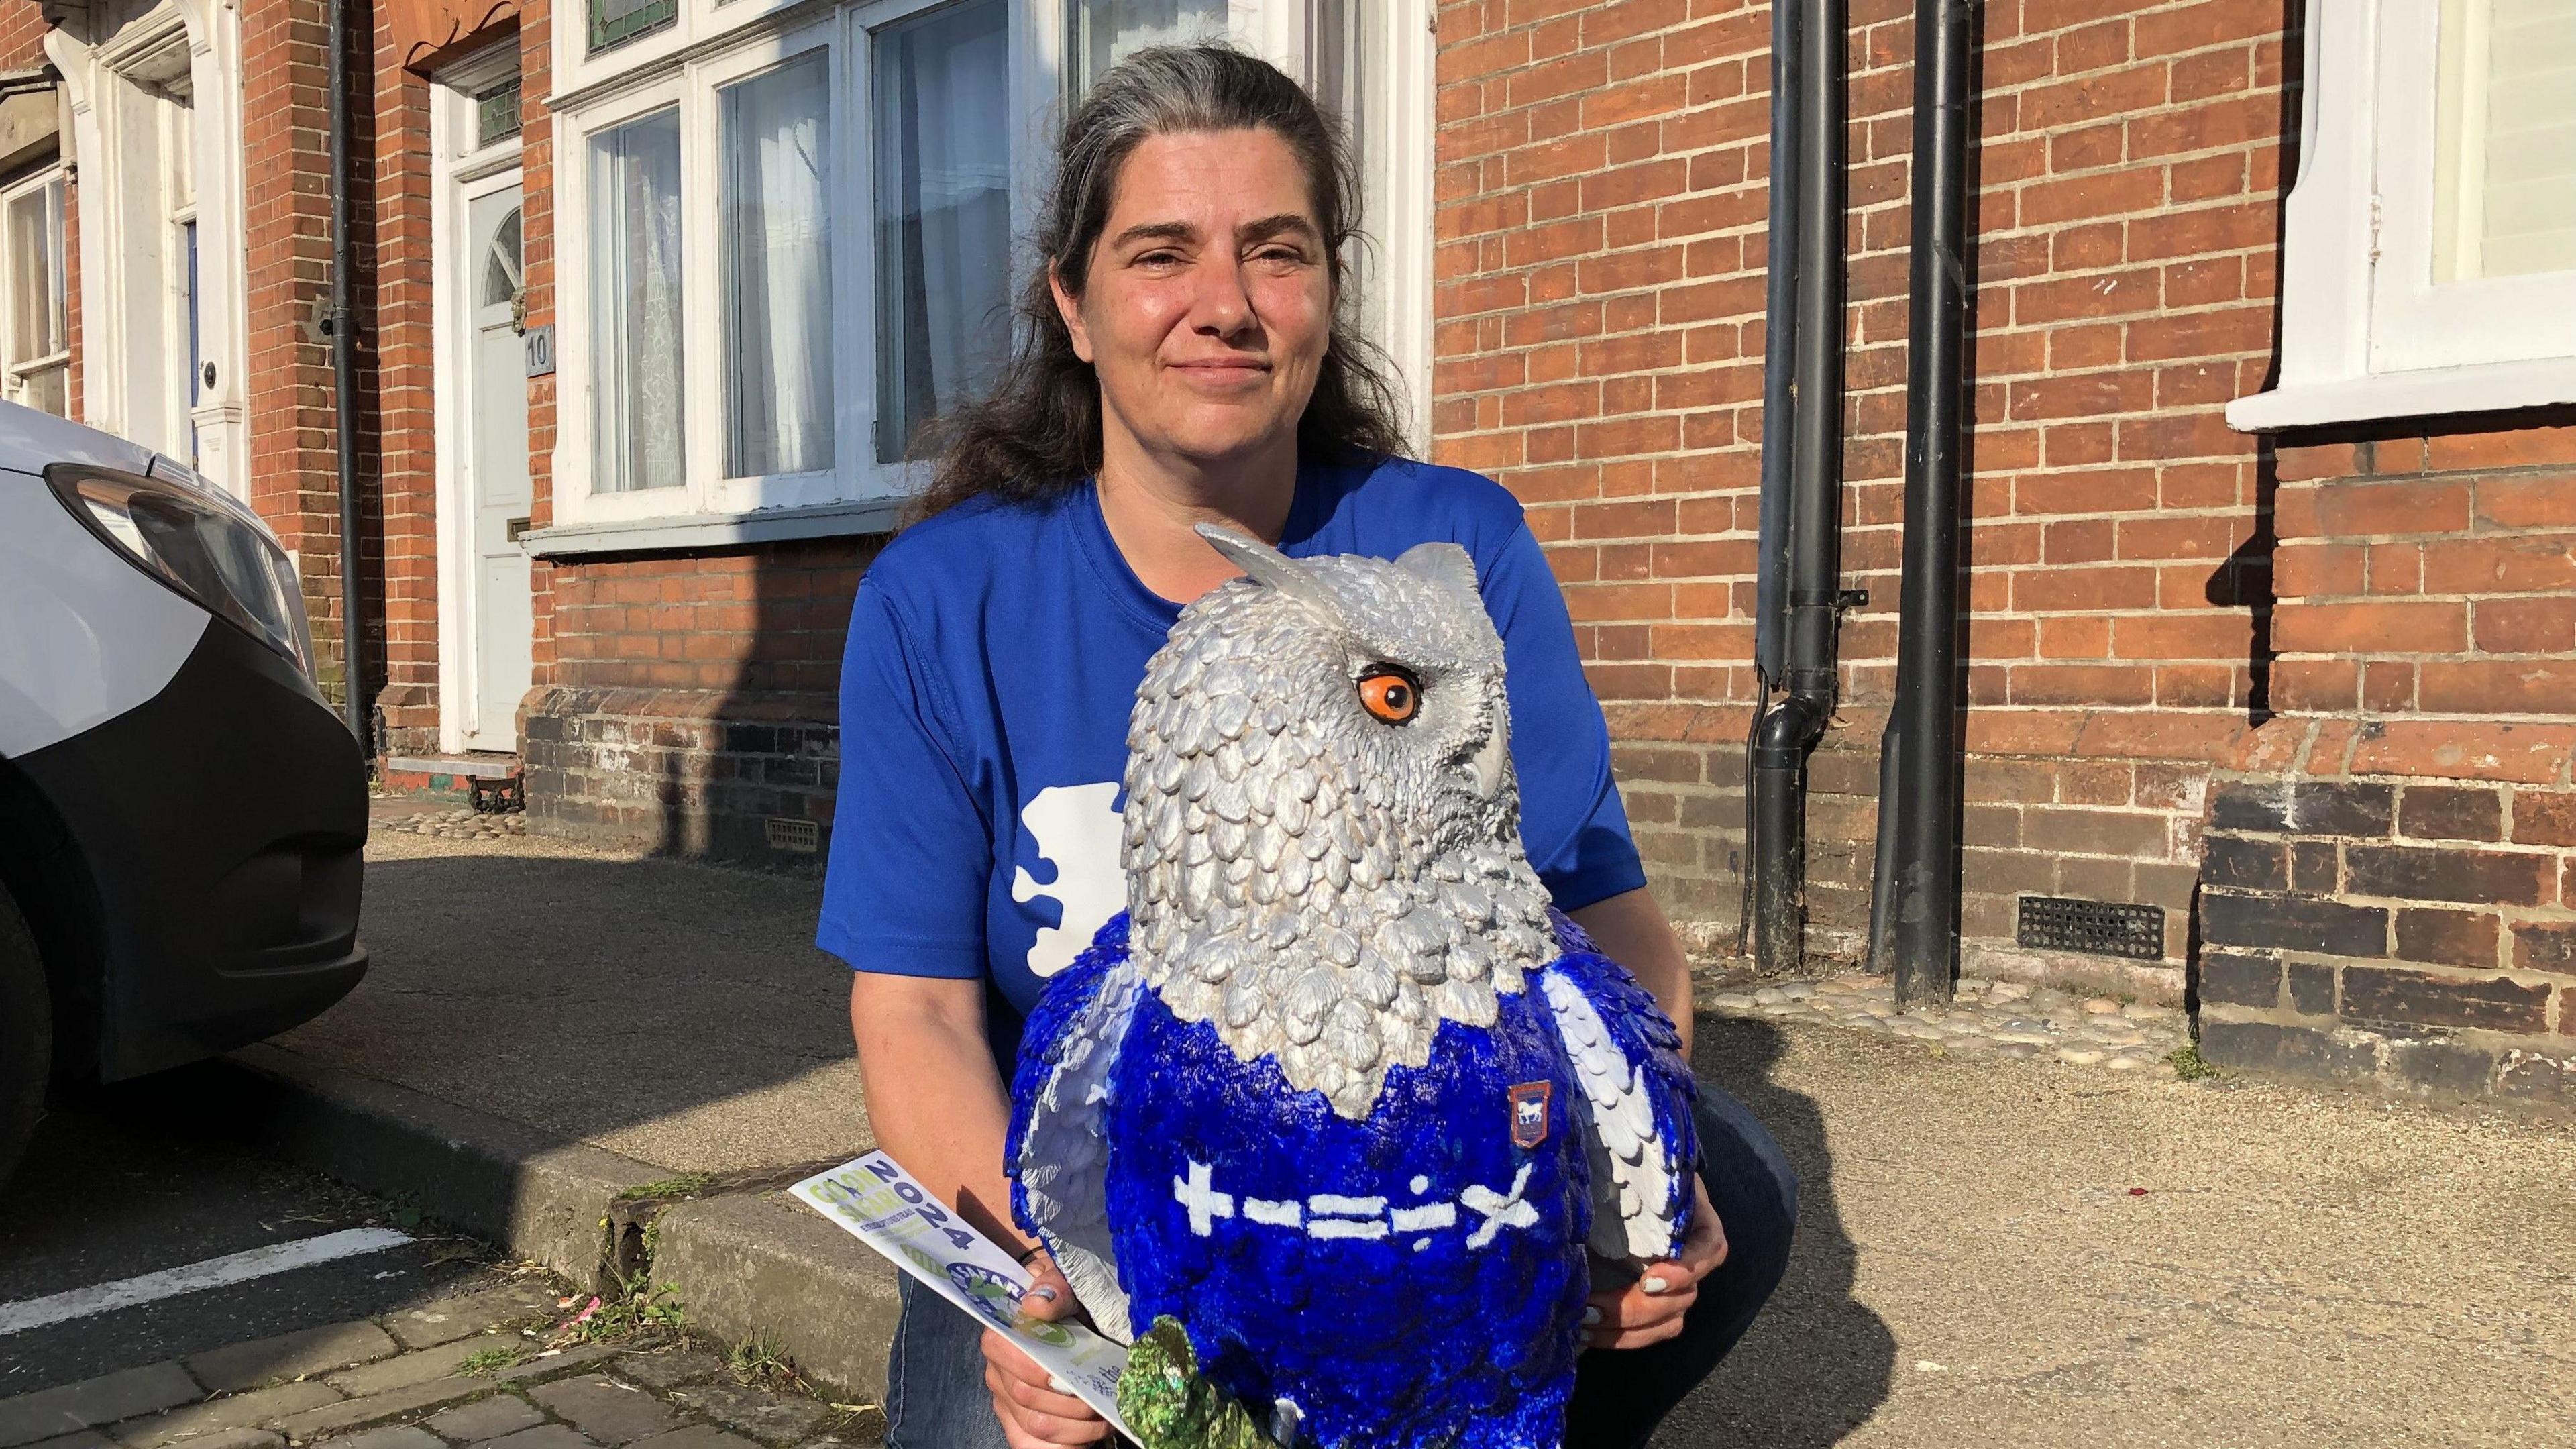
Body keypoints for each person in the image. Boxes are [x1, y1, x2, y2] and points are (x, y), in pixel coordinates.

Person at [819, 44, 1796, 1449]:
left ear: (1327, 297)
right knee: (1002, 1431)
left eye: (1274, 251)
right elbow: (912, 1011)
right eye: (1163, 252)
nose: (1224, 304)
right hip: (1111, 1191)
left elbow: (1608, 919)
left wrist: (1614, 1202)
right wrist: (1056, 1298)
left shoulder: (1460, 550)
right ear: (1074, 304)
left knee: (1730, 1207)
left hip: (1424, 1184)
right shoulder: (941, 602)